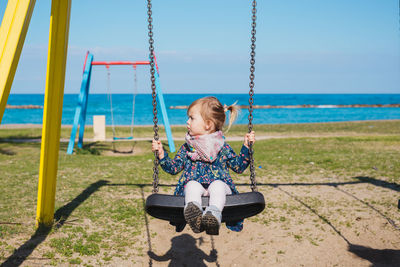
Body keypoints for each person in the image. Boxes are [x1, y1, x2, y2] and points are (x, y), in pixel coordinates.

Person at [152, 96, 255, 235]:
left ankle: (213, 215)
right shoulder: (187, 148)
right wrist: (161, 155)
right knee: (191, 185)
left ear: (207, 124)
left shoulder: (222, 147)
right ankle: (195, 216)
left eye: (191, 118)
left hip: (221, 190)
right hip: (195, 191)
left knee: (217, 185)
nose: (187, 121)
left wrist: (246, 147)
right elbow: (174, 168)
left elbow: (238, 167)